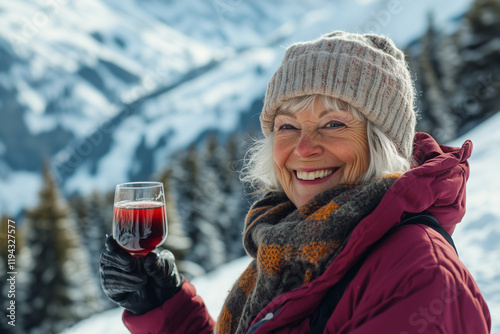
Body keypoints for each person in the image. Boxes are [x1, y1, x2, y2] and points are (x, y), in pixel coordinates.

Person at [100, 31, 491, 333]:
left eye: (333, 124)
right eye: (287, 126)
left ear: (383, 143)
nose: (304, 149)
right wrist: (163, 305)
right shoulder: (294, 245)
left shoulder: (418, 276)